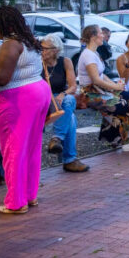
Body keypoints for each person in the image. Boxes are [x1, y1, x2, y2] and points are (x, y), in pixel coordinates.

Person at [0, 6, 52, 215]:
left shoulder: (10, 45)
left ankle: (16, 202)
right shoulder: (28, 41)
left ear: (5, 24)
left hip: (17, 97)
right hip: (38, 91)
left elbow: (2, 78)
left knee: (13, 148)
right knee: (31, 146)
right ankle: (29, 195)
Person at [77, 24, 129, 150]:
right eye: (100, 33)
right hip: (91, 94)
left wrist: (115, 85)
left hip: (101, 90)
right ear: (93, 37)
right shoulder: (88, 55)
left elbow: (102, 75)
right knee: (124, 105)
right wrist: (114, 87)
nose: (103, 35)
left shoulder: (94, 53)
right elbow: (96, 79)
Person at [40, 33, 88, 173]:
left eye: (45, 48)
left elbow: (73, 86)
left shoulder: (65, 61)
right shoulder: (38, 63)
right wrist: (50, 97)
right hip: (44, 98)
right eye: (41, 48)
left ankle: (57, 138)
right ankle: (69, 159)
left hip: (61, 98)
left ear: (55, 50)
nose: (42, 51)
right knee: (70, 118)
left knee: (69, 101)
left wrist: (63, 94)